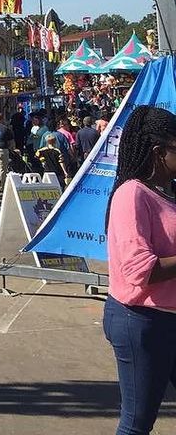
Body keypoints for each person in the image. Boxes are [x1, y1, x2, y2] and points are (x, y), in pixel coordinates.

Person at [104, 106, 176, 435]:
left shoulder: (167, 192)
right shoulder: (132, 194)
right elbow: (140, 271)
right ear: (159, 153)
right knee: (137, 422)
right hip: (142, 322)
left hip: (169, 318)